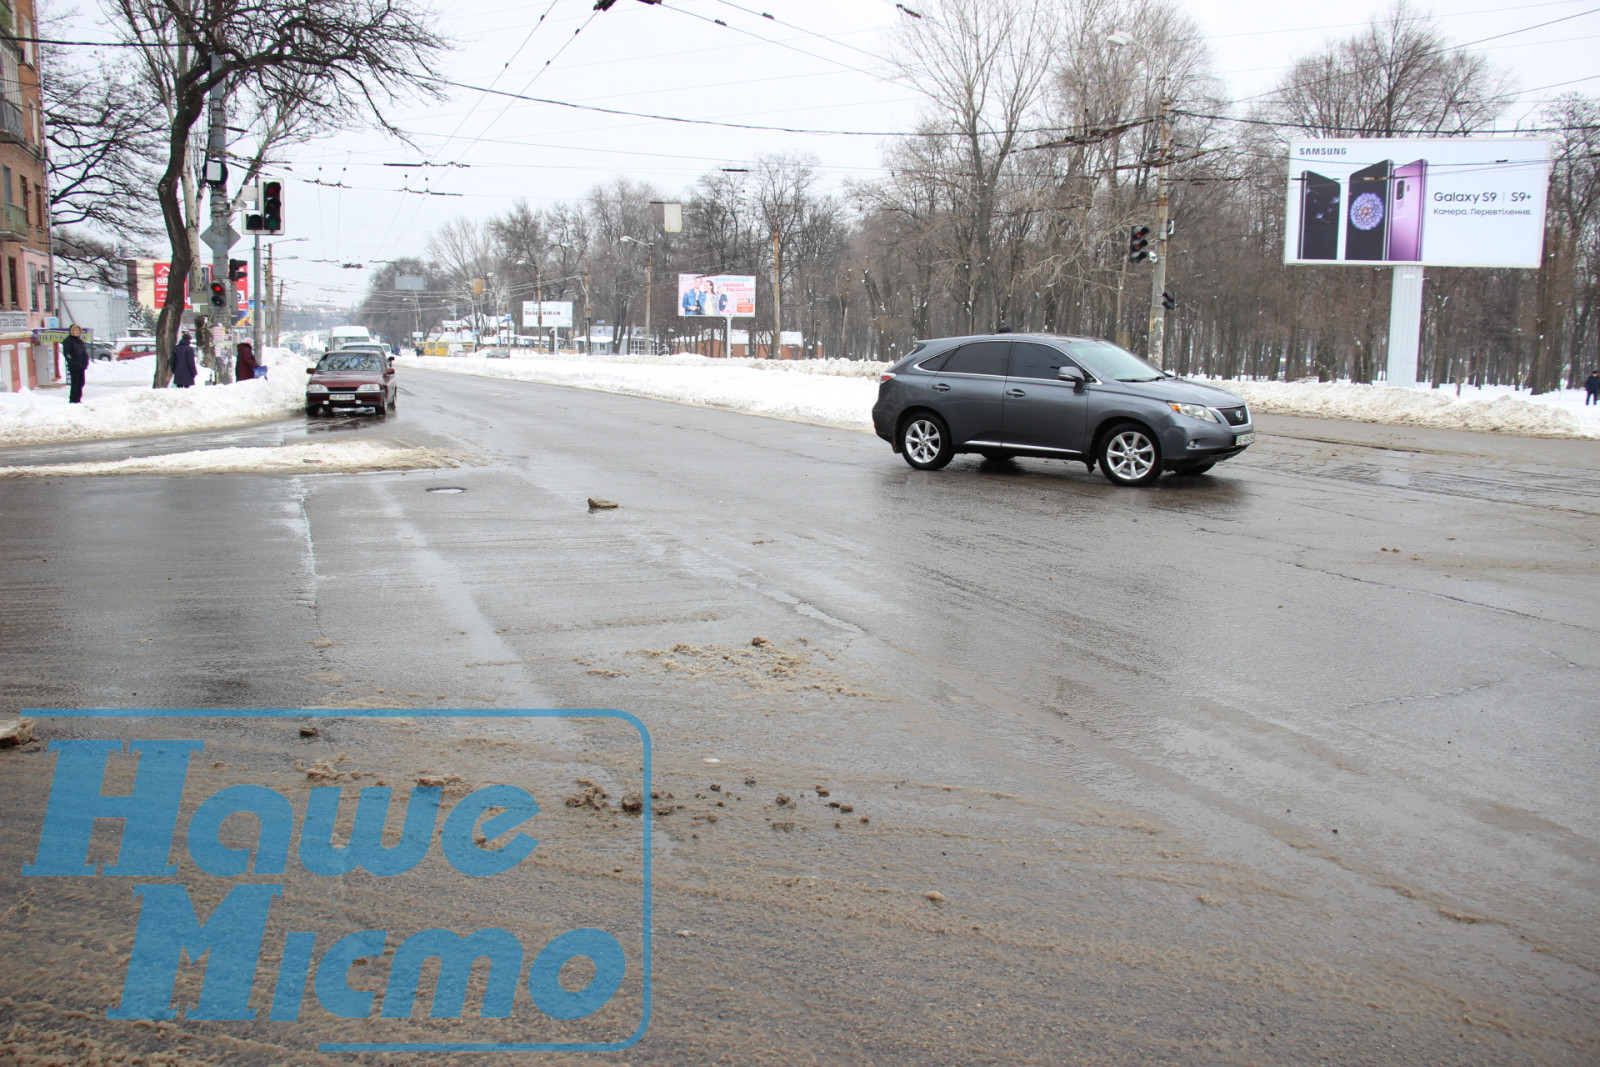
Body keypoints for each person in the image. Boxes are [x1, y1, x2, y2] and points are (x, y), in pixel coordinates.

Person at [63, 324, 89, 403]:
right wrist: (74, 362)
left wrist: (86, 361)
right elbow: (67, 354)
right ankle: (73, 400)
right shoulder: (68, 341)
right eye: (75, 330)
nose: (77, 332)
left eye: (78, 331)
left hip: (81, 366)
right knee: (75, 383)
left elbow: (84, 352)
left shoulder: (79, 341)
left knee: (81, 382)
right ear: (71, 331)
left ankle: (78, 399)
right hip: (74, 367)